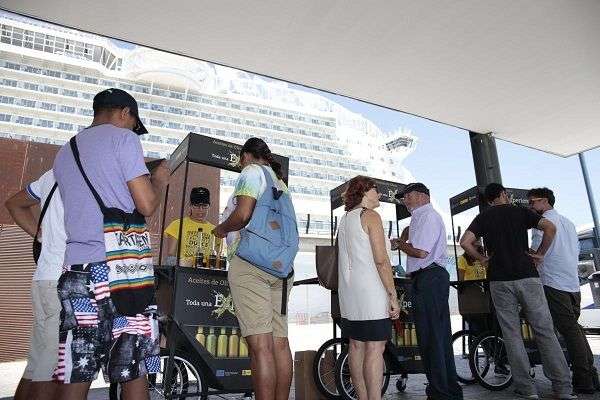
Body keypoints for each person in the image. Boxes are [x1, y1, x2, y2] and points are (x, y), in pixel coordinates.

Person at [52, 88, 169, 400]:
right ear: (124, 114)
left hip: (76, 272)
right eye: (134, 123)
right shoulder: (124, 139)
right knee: (135, 369)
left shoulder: (65, 151)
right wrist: (158, 178)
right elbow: (146, 205)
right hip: (122, 273)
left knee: (78, 367)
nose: (133, 130)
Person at [460, 183, 575, 400]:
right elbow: (550, 228)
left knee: (511, 335)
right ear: (504, 194)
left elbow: (465, 242)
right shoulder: (521, 212)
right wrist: (540, 254)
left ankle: (527, 389)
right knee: (545, 331)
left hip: (499, 279)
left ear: (488, 200)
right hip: (528, 276)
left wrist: (484, 259)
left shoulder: (483, 217)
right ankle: (563, 388)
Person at [212, 137, 295, 400]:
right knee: (280, 344)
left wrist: (222, 228)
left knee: (260, 346)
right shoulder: (280, 183)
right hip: (281, 267)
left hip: (251, 264)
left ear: (246, 156)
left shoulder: (251, 172)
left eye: (240, 160)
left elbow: (243, 214)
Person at [394, 182, 463, 400]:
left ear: (423, 196)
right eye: (404, 197)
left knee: (432, 338)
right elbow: (414, 240)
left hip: (429, 278)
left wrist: (399, 244)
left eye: (408, 196)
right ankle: (447, 390)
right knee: (436, 337)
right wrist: (405, 236)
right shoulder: (419, 218)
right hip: (428, 278)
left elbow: (420, 252)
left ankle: (440, 393)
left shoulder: (428, 217)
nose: (405, 200)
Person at [528, 187, 600, 393]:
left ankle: (583, 379)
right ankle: (591, 376)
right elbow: (574, 251)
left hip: (553, 282)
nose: (531, 207)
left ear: (545, 202)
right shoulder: (568, 223)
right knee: (574, 329)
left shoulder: (541, 225)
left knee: (569, 331)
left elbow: (535, 254)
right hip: (572, 283)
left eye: (532, 203)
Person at [337, 176, 400, 400]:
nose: (379, 194)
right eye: (376, 189)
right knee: (375, 348)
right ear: (364, 191)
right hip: (371, 294)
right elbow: (381, 261)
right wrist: (393, 296)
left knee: (356, 347)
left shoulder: (344, 219)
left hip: (348, 296)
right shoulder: (371, 216)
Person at [5, 170, 65, 400]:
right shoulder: (87, 173)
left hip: (43, 277)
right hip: (63, 281)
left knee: (36, 366)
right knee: (51, 371)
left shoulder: (53, 174)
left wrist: (41, 236)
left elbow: (14, 204)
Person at [163, 187, 222, 266]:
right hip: (183, 271)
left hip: (206, 274)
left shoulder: (215, 230)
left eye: (204, 206)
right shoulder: (177, 225)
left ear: (209, 206)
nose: (201, 210)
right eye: (196, 206)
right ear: (190, 206)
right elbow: (170, 257)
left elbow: (217, 257)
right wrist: (185, 263)